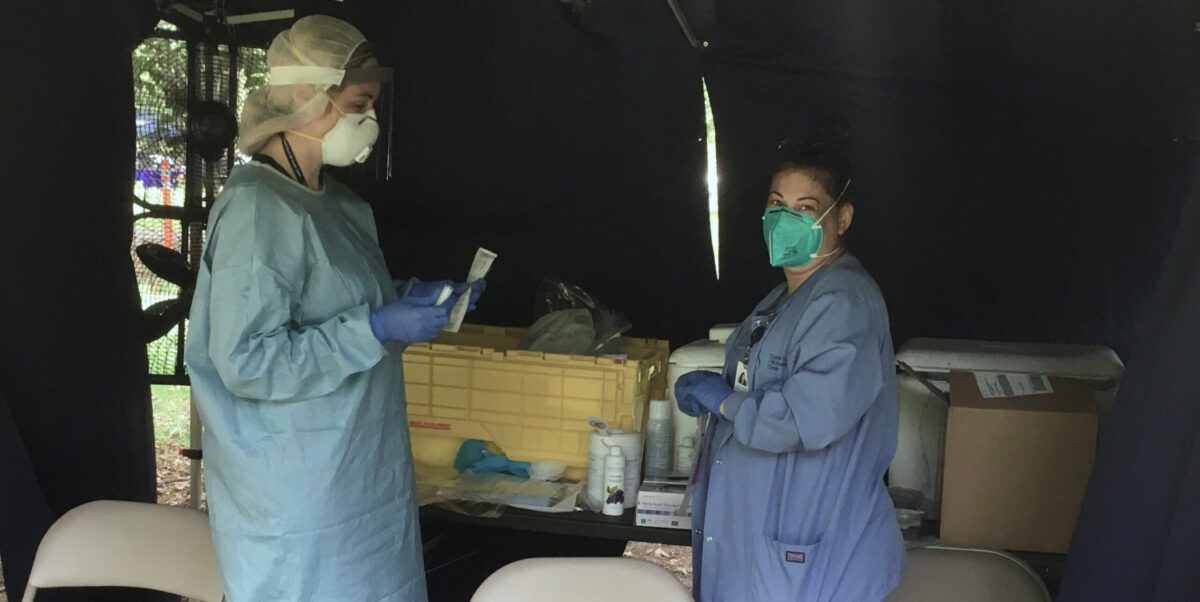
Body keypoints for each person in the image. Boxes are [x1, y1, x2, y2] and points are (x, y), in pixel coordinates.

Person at [184, 15, 483, 602]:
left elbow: (336, 295)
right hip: (298, 496)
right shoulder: (257, 209)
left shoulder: (338, 205)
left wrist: (407, 297)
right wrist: (373, 326)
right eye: (357, 105)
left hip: (364, 478)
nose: (368, 120)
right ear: (306, 94)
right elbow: (248, 360)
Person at [674, 123, 905, 601]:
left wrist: (724, 403)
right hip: (763, 549)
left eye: (806, 208)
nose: (785, 219)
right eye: (777, 204)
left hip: (811, 556)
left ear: (842, 218)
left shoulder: (843, 304)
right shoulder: (782, 300)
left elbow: (801, 419)